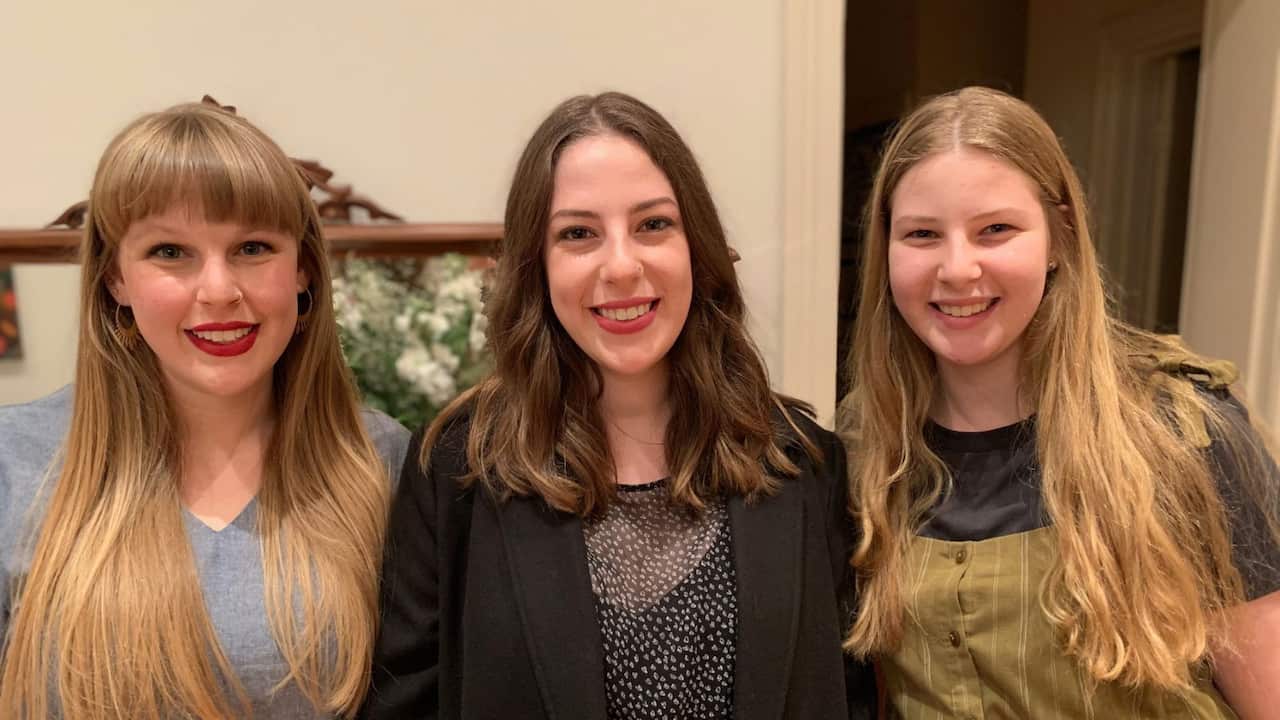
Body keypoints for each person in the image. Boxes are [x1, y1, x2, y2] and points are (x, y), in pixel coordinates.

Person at [361, 91, 876, 720]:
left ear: (697, 245)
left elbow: (845, 694)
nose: (622, 265)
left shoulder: (804, 461)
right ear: (536, 265)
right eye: (578, 234)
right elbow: (404, 703)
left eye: (653, 224)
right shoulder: (456, 468)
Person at [838, 86, 1280, 718]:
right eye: (922, 234)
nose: (958, 269)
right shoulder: (865, 447)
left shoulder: (1179, 429)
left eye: (996, 230)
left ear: (1060, 237)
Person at [0, 102, 409, 719]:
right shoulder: (13, 464)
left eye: (251, 247)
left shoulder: (387, 465)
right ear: (115, 278)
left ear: (302, 269)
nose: (218, 290)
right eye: (170, 252)